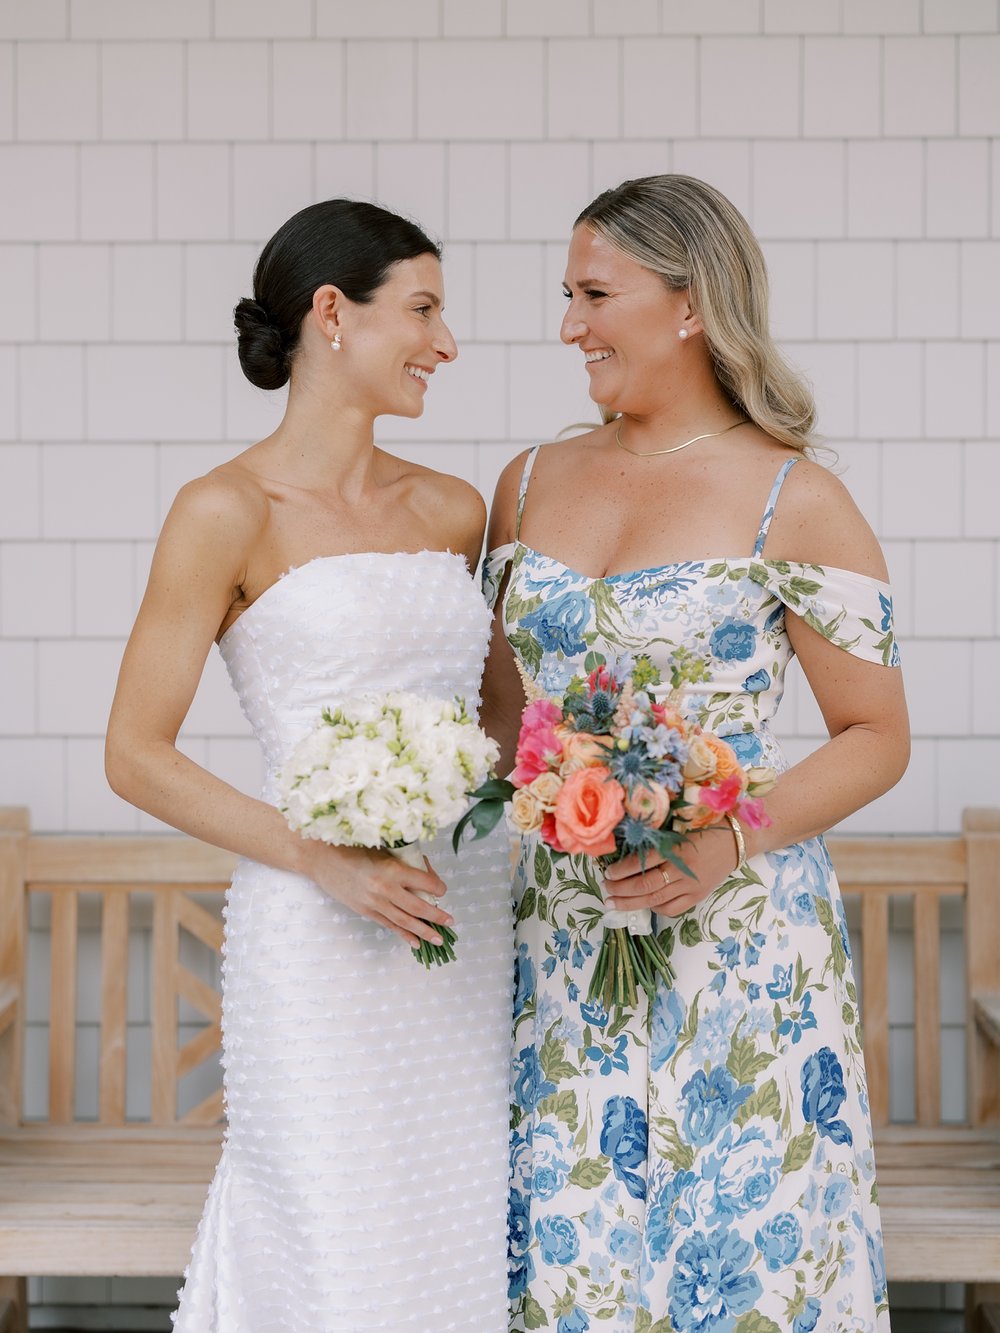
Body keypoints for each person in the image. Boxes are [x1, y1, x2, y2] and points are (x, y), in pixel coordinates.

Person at [481, 175, 907, 1333]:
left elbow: (876, 737)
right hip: (561, 941)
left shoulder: (795, 496)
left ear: (686, 304)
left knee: (738, 1262)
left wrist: (723, 838)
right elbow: (502, 726)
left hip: (738, 943)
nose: (570, 325)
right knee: (568, 1256)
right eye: (567, 294)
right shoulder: (525, 483)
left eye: (594, 294)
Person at [105, 199, 512, 1332]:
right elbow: (133, 755)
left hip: (465, 916)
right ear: (333, 314)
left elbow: (498, 728)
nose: (445, 341)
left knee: (457, 1224)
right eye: (422, 309)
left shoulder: (452, 509)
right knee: (333, 1233)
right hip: (315, 930)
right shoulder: (224, 510)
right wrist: (322, 859)